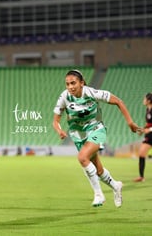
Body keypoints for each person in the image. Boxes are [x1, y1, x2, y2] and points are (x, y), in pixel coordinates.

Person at [52, 70, 139, 208]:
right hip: (78, 134)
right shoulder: (64, 97)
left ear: (81, 83)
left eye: (73, 83)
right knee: (98, 170)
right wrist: (59, 130)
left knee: (82, 157)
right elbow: (55, 120)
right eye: (67, 84)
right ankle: (116, 186)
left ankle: (98, 194)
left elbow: (118, 101)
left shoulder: (91, 92)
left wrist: (130, 122)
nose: (70, 87)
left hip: (96, 129)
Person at [133, 92, 152, 182]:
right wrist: (143, 129)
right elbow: (149, 123)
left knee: (142, 153)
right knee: (141, 153)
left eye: (145, 99)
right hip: (149, 135)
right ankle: (141, 177)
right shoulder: (148, 110)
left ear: (149, 100)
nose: (143, 100)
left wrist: (150, 129)